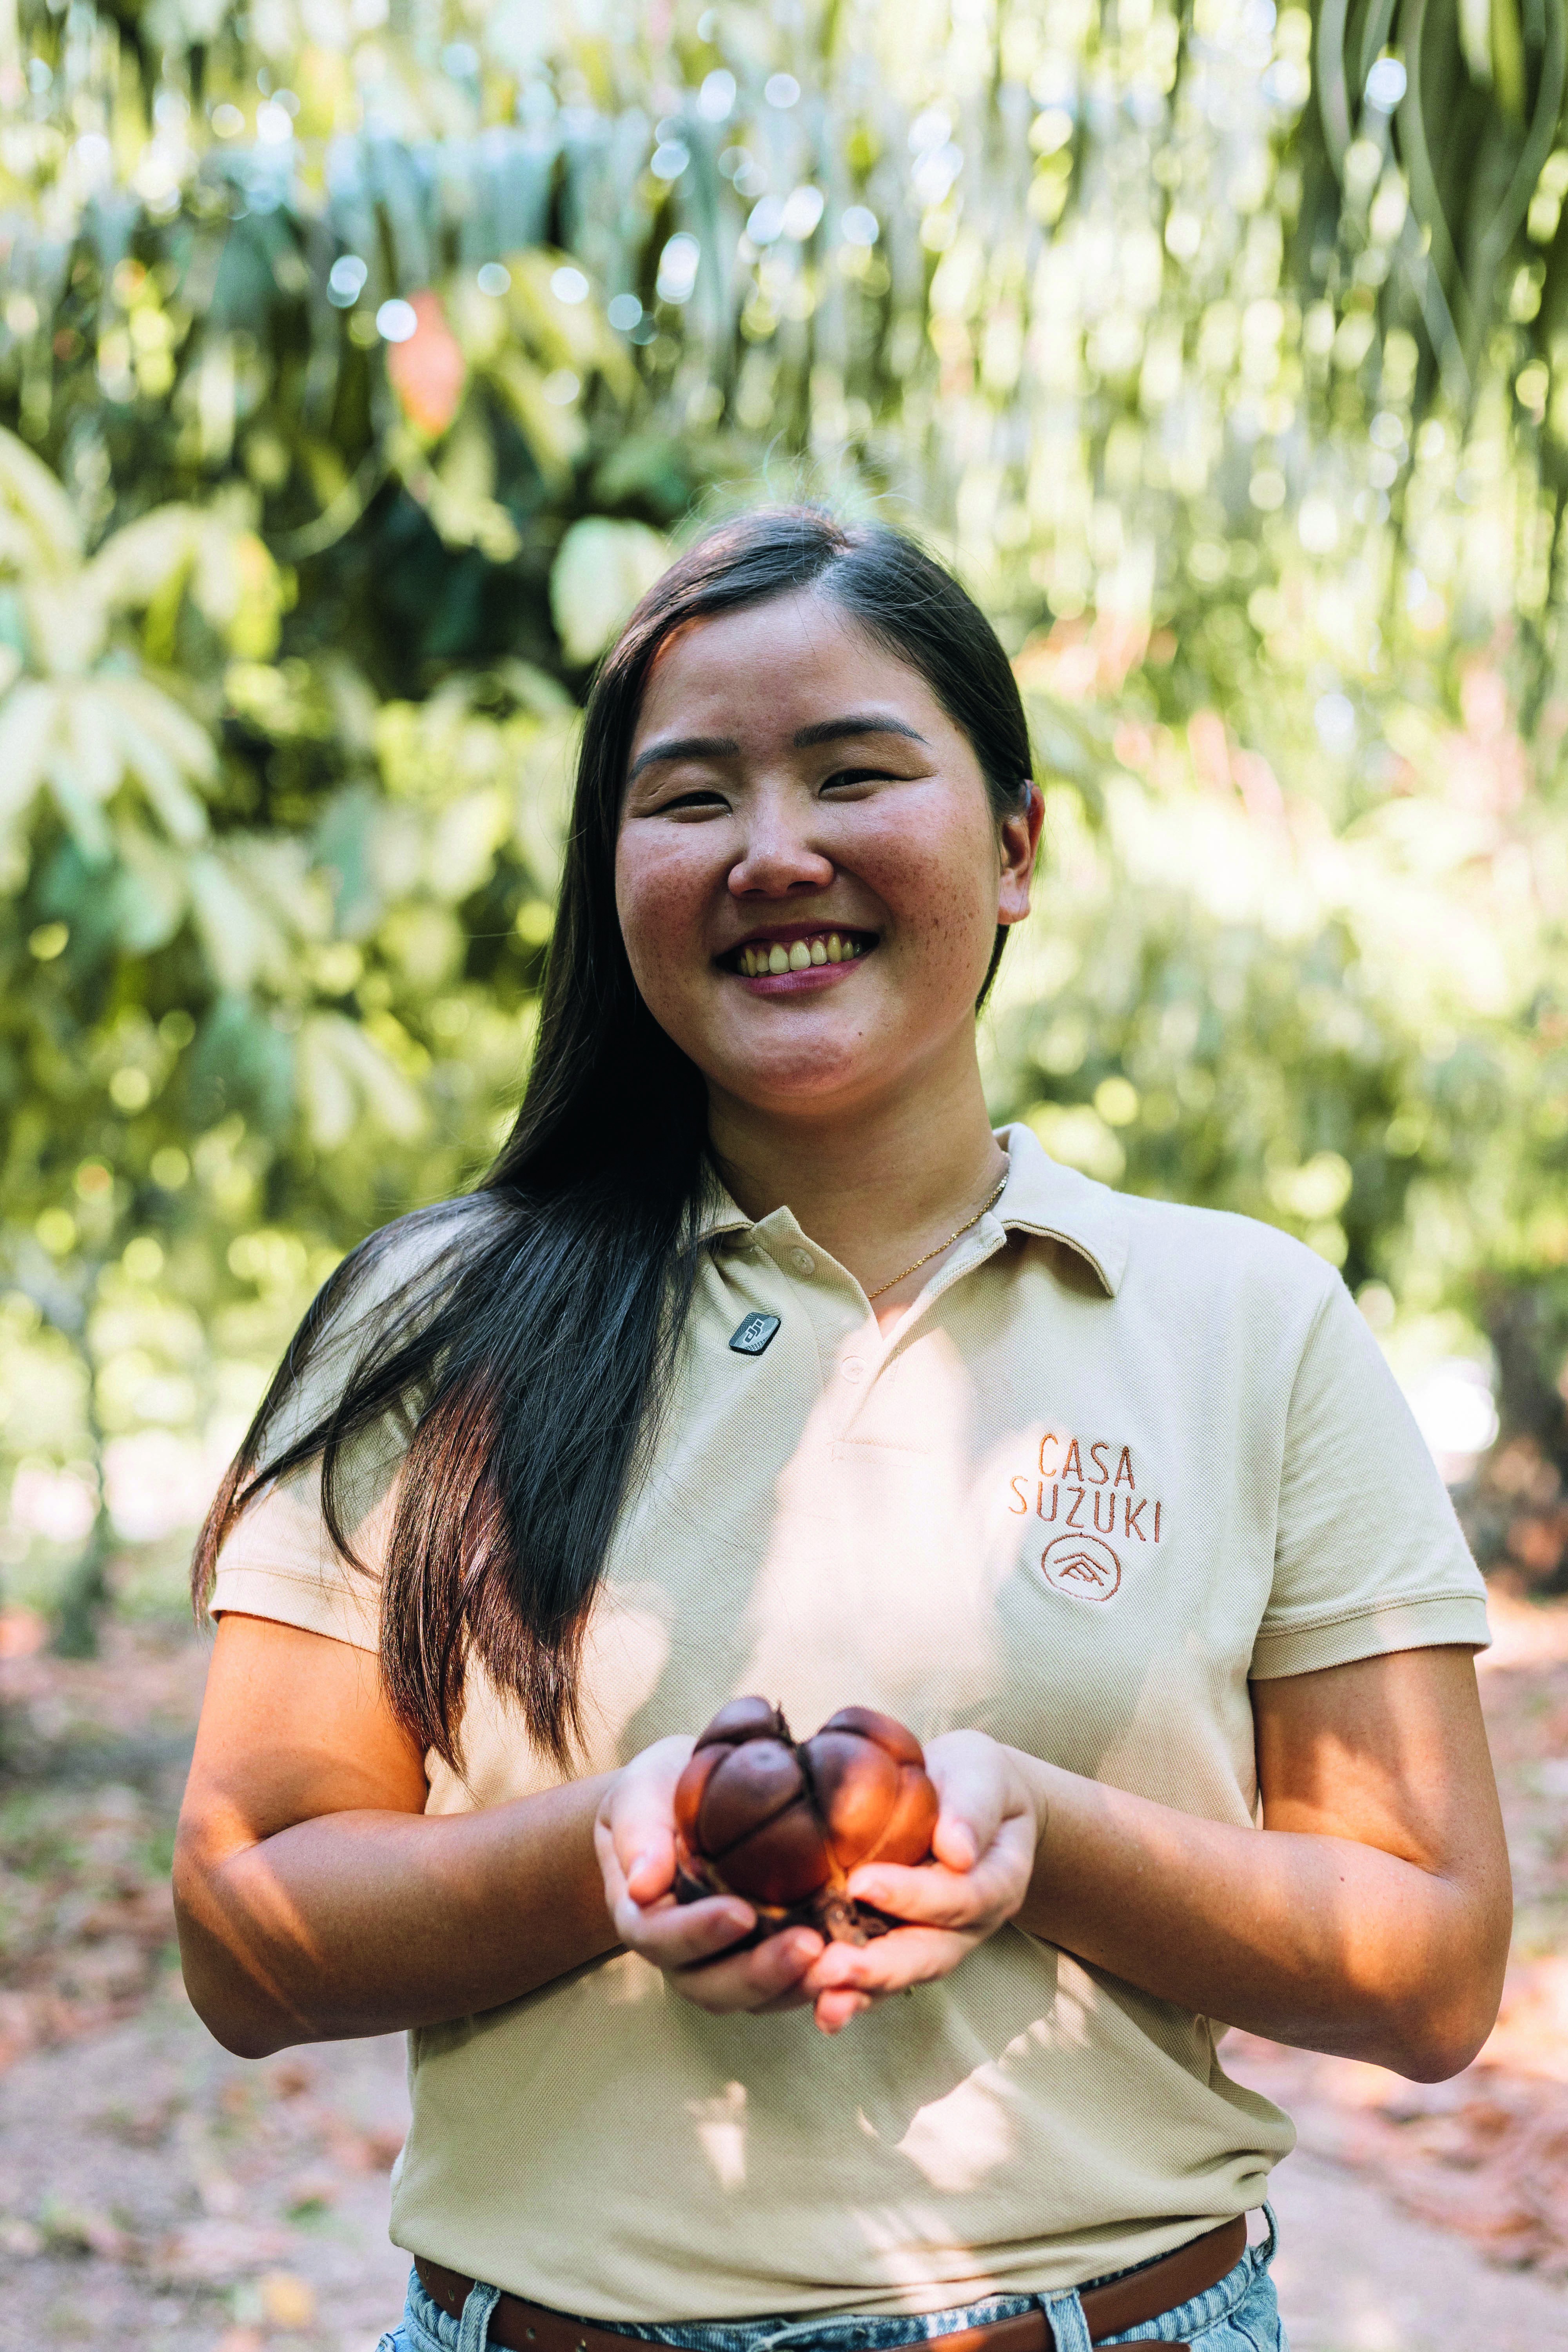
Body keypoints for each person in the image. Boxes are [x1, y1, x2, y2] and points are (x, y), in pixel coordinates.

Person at [175, 508, 1511, 2352]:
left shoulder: (1247, 1323)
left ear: (1017, 845)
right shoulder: (437, 1323)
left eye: (854, 773)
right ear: (613, 867)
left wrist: (1047, 1836)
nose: (773, 852)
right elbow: (244, 1928)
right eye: (691, 798)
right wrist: (607, 1855)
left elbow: (1433, 1972)